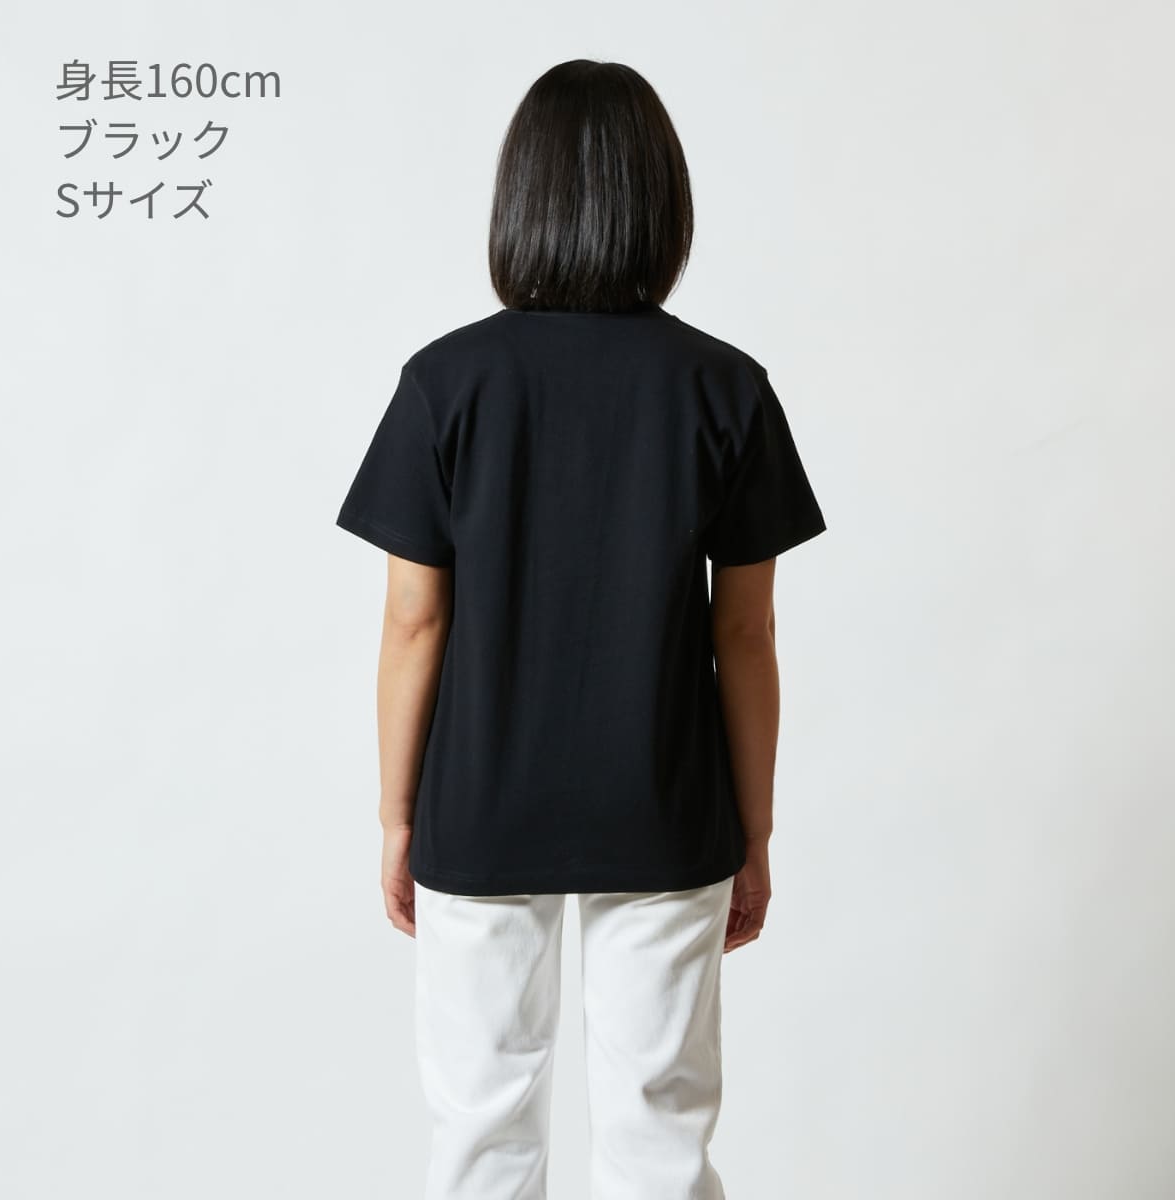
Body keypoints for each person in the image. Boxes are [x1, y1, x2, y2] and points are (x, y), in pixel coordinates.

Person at [335, 58, 827, 1200]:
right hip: (664, 805)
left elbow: (414, 621)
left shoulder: (446, 382)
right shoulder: (725, 387)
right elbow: (747, 636)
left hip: (480, 804)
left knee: (480, 1131)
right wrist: (753, 832)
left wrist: (399, 816)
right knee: (659, 1134)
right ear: (664, 204)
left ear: (520, 201)